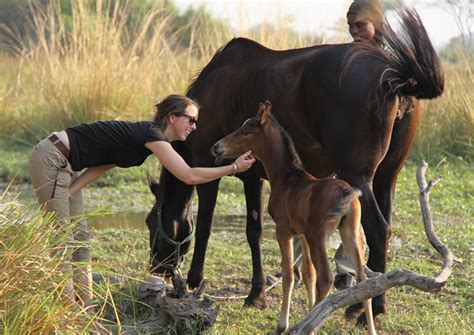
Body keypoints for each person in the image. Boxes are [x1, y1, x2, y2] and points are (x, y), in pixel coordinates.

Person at [29, 94, 256, 309]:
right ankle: (68, 312)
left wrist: (73, 190)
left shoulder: (146, 139)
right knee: (62, 242)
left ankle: (86, 312)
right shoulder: (152, 136)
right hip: (51, 159)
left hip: (67, 168)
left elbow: (107, 161)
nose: (194, 126)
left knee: (81, 241)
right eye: (191, 120)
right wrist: (234, 167)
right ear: (172, 118)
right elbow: (188, 175)